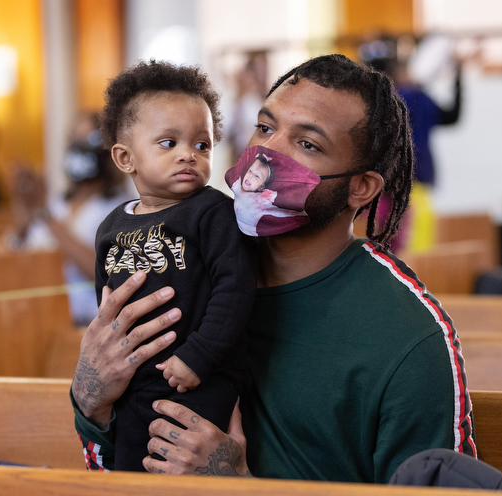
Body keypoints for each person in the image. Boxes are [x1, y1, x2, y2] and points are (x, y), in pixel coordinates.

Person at [70, 54, 476, 483]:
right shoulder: (175, 264)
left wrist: (241, 487)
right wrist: (90, 401)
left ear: (361, 187)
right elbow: (111, 471)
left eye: (307, 144)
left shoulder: (408, 337)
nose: (266, 152)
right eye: (265, 127)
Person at [91, 60, 257, 472]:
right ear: (126, 157)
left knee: (186, 471)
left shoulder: (213, 213)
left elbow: (234, 287)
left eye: (202, 145)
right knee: (134, 470)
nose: (189, 155)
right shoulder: (111, 227)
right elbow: (106, 301)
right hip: (132, 385)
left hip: (200, 377)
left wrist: (198, 356)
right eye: (169, 143)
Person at [8, 112, 133, 327]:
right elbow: (16, 255)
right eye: (74, 139)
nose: (80, 147)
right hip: (37, 316)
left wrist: (44, 214)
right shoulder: (58, 203)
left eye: (89, 139)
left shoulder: (121, 209)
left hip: (86, 324)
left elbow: (101, 273)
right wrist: (22, 202)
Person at [225, 149, 315, 236]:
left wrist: (300, 216)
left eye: (257, 176)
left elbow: (279, 212)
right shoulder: (237, 183)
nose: (250, 176)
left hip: (253, 232)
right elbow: (230, 175)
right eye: (250, 171)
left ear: (261, 186)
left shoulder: (263, 197)